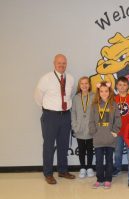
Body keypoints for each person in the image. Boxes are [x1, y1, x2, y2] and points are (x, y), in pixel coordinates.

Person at [34, 54, 75, 184]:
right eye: (59, 63)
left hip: (65, 115)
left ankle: (63, 170)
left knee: (63, 145)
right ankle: (48, 173)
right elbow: (37, 96)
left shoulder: (71, 78)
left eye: (64, 63)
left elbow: (70, 95)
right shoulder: (46, 78)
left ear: (66, 64)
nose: (61, 65)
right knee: (49, 146)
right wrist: (47, 108)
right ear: (54, 63)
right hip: (50, 116)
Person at [89, 81, 121, 189]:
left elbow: (118, 119)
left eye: (106, 91)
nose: (104, 93)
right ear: (98, 92)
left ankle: (108, 179)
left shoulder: (114, 104)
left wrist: (115, 131)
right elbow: (91, 120)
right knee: (98, 160)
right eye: (101, 91)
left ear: (109, 92)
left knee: (109, 160)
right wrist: (93, 132)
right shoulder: (94, 105)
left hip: (110, 138)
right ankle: (99, 179)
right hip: (98, 138)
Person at [113, 76, 129, 176]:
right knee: (118, 151)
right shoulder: (114, 99)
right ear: (116, 86)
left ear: (127, 86)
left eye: (124, 85)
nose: (122, 87)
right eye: (120, 85)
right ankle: (117, 168)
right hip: (118, 131)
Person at [71, 76, 94, 178]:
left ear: (89, 85)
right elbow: (73, 113)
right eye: (82, 83)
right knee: (81, 149)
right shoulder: (76, 98)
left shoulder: (94, 96)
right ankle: (82, 168)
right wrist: (74, 126)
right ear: (79, 86)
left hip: (90, 128)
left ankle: (89, 167)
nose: (84, 85)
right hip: (79, 128)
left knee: (89, 149)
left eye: (86, 83)